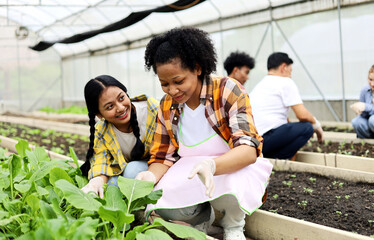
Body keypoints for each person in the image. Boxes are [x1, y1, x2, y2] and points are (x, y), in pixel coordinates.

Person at [136, 27, 273, 240]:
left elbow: (248, 150)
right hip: (190, 169)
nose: (172, 90)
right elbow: (163, 156)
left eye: (178, 81)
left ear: (197, 68)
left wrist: (212, 166)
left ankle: (233, 225)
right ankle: (201, 219)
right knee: (161, 202)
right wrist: (150, 176)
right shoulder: (167, 106)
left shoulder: (227, 90)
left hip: (229, 164)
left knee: (233, 186)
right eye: (164, 84)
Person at [80, 75, 159, 198]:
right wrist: (97, 181)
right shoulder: (102, 130)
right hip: (131, 172)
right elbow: (101, 159)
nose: (121, 108)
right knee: (111, 185)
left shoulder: (152, 112)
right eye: (110, 106)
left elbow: (167, 153)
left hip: (158, 168)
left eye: (121, 98)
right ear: (100, 115)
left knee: (132, 170)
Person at [249, 52, 324, 160]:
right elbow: (302, 115)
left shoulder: (260, 85)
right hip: (267, 139)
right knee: (307, 127)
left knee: (296, 129)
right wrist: (317, 127)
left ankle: (271, 156)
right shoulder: (285, 82)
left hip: (254, 143)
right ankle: (279, 157)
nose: (291, 74)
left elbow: (281, 120)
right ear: (284, 67)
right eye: (290, 70)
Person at [351, 65, 374, 138]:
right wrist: (359, 110)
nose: (372, 84)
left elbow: (366, 108)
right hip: (369, 124)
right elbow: (363, 115)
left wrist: (365, 107)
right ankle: (368, 142)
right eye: (370, 79)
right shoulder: (365, 90)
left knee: (372, 120)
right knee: (356, 122)